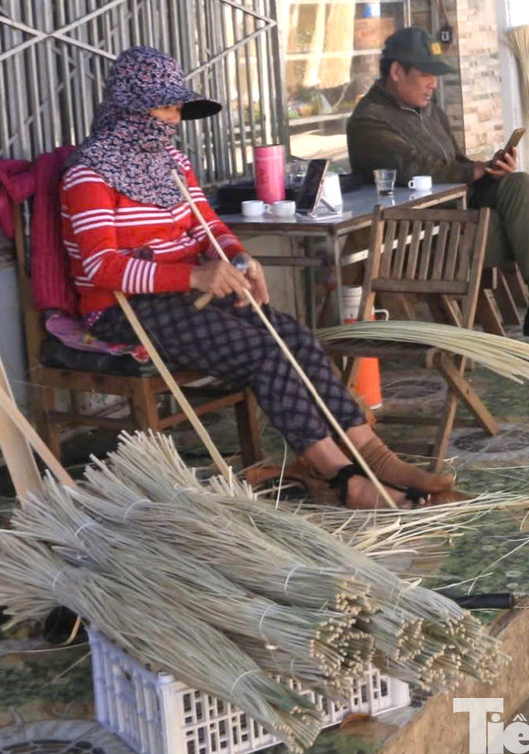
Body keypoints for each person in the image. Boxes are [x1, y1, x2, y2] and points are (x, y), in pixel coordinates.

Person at [62, 46, 451, 510]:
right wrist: (195, 276)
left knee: (295, 337)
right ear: (131, 106)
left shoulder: (171, 164)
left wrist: (240, 259)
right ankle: (338, 476)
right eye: (166, 108)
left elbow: (210, 227)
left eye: (175, 109)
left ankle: (374, 455)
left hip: (189, 293)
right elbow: (99, 267)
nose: (173, 120)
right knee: (263, 352)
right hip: (125, 307)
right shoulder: (88, 174)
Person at [346, 28, 529, 359]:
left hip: (460, 220)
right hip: (422, 241)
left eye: (435, 75)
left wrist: (489, 169)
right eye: (425, 74)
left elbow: (454, 163)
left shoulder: (428, 110)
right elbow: (410, 167)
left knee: (523, 186)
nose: (433, 84)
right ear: (397, 72)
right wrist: (471, 170)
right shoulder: (368, 121)